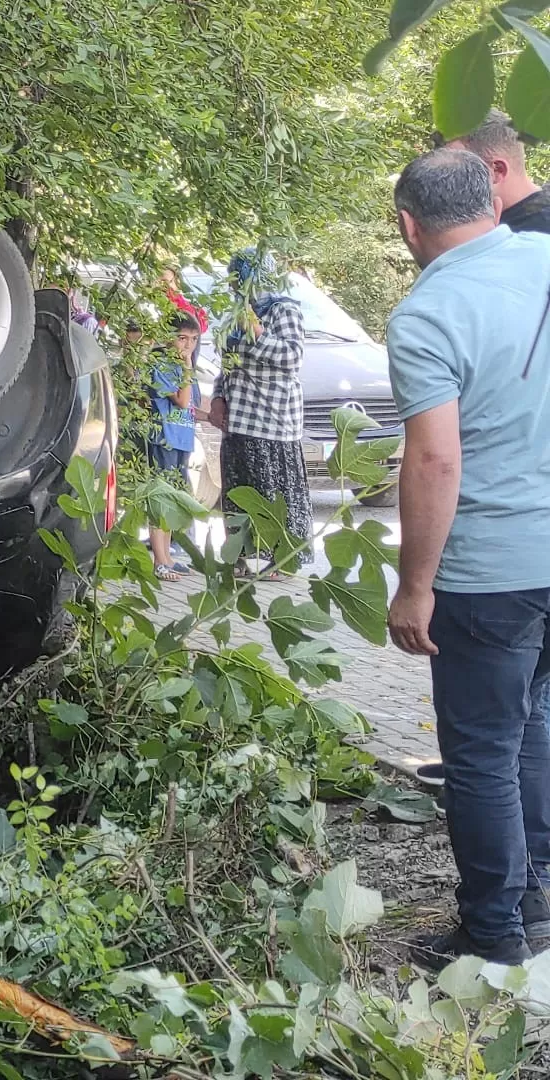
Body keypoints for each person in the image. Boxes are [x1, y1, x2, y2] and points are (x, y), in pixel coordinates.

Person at [384, 148, 550, 967]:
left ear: (409, 226)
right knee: (538, 720)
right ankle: (540, 891)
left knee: (482, 750)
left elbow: (435, 461)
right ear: (493, 195)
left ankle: (494, 936)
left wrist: (415, 587)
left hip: (493, 570)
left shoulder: (427, 313)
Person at [211, 249, 309, 580]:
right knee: (238, 491)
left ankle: (283, 559)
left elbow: (292, 358)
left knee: (273, 493)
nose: (238, 285)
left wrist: (257, 332)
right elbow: (226, 363)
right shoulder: (235, 312)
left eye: (243, 277)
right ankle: (237, 556)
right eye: (234, 278)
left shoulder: (284, 310)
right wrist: (218, 397)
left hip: (274, 421)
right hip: (238, 420)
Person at [146, 314, 201, 581]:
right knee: (161, 498)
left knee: (173, 499)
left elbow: (191, 406)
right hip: (165, 439)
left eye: (193, 339)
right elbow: (180, 400)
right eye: (182, 338)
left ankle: (167, 554)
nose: (188, 345)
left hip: (183, 440)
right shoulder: (163, 365)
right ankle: (159, 559)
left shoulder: (185, 368)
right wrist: (188, 368)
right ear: (169, 339)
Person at [440, 111, 550, 235]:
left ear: (497, 170)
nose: (445, 179)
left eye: (457, 169)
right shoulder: (484, 222)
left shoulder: (541, 233)